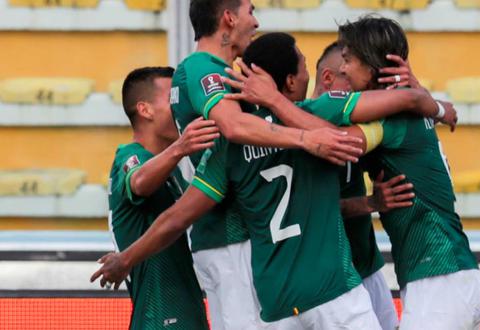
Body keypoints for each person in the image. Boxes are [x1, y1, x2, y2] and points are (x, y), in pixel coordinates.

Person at [90, 32, 447, 329]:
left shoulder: (228, 149)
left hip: (279, 304)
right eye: (304, 67)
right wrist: (441, 108)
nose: (310, 76)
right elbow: (405, 102)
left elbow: (177, 217)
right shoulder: (316, 116)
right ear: (289, 82)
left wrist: (127, 258)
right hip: (334, 288)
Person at [171, 1, 363, 328]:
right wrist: (305, 138)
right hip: (230, 238)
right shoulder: (204, 67)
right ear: (229, 18)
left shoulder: (220, 73)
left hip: (243, 239)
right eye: (250, 11)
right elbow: (234, 126)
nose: (256, 22)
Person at [338, 16, 480, 330]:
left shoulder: (392, 119)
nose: (342, 69)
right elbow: (445, 109)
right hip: (452, 276)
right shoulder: (413, 109)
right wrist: (436, 104)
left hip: (438, 278)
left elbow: (334, 141)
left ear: (374, 65)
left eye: (349, 60)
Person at [108, 66, 218, 329]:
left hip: (186, 308)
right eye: (173, 99)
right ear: (145, 110)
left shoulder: (173, 173)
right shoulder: (129, 156)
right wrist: (181, 148)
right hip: (159, 317)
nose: (181, 107)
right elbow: (139, 182)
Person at [315, 41, 400, 330]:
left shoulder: (356, 124)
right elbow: (312, 209)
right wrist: (370, 204)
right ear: (329, 79)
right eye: (349, 78)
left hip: (366, 263)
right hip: (332, 278)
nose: (362, 90)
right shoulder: (306, 133)